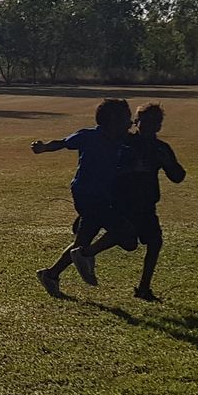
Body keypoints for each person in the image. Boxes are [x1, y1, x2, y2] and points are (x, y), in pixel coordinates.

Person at [30, 98, 133, 296]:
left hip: (103, 196)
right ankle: (86, 254)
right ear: (113, 119)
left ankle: (50, 275)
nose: (129, 121)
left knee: (83, 238)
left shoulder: (121, 140)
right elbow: (62, 143)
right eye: (126, 117)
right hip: (86, 194)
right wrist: (43, 148)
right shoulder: (89, 136)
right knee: (125, 232)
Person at [115, 103, 187, 301]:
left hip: (147, 203)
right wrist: (131, 169)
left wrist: (167, 163)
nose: (151, 126)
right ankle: (65, 265)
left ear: (160, 126)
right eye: (146, 121)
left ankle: (144, 288)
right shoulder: (125, 143)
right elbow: (110, 169)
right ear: (137, 122)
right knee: (123, 241)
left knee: (154, 242)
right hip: (122, 201)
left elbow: (178, 177)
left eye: (156, 122)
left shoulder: (161, 149)